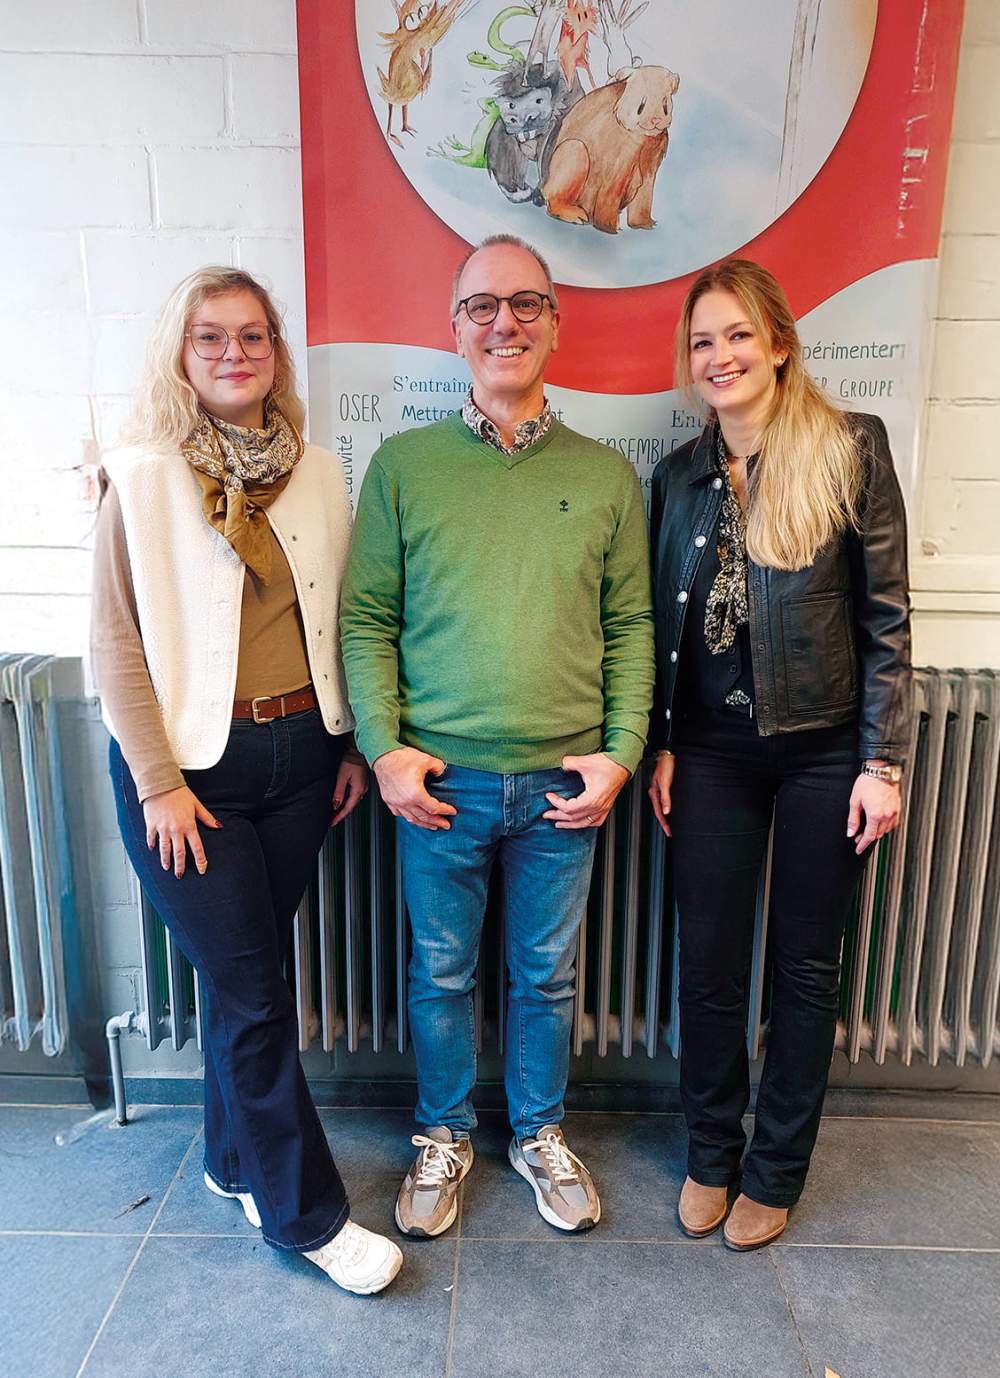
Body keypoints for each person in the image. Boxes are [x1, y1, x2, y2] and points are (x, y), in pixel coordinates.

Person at [90, 266, 402, 1295]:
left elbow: (339, 617)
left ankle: (233, 1160)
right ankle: (305, 1214)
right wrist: (157, 783)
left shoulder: (315, 469)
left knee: (245, 979)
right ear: (181, 356)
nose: (234, 354)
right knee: (259, 995)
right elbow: (114, 645)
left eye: (253, 336)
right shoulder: (139, 475)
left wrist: (347, 744)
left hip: (301, 761)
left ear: (277, 352)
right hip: (191, 771)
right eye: (211, 337)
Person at [341, 234, 654, 1238]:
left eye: (525, 304)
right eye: (482, 306)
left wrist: (622, 752)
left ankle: (537, 1132)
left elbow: (632, 626)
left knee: (548, 974)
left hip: (567, 783)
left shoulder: (605, 477)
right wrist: (384, 748)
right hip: (441, 782)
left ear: (555, 324)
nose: (504, 323)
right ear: (455, 327)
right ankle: (441, 1133)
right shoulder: (402, 467)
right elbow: (366, 620)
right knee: (439, 971)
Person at [647, 258, 911, 1251]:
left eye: (736, 335)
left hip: (822, 754)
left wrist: (880, 763)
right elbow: (659, 633)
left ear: (780, 342)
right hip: (710, 754)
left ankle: (775, 1167)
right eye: (702, 341)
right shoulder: (678, 476)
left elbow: (887, 616)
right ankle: (710, 1152)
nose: (718, 356)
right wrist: (665, 745)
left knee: (804, 967)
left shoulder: (849, 449)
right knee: (706, 962)